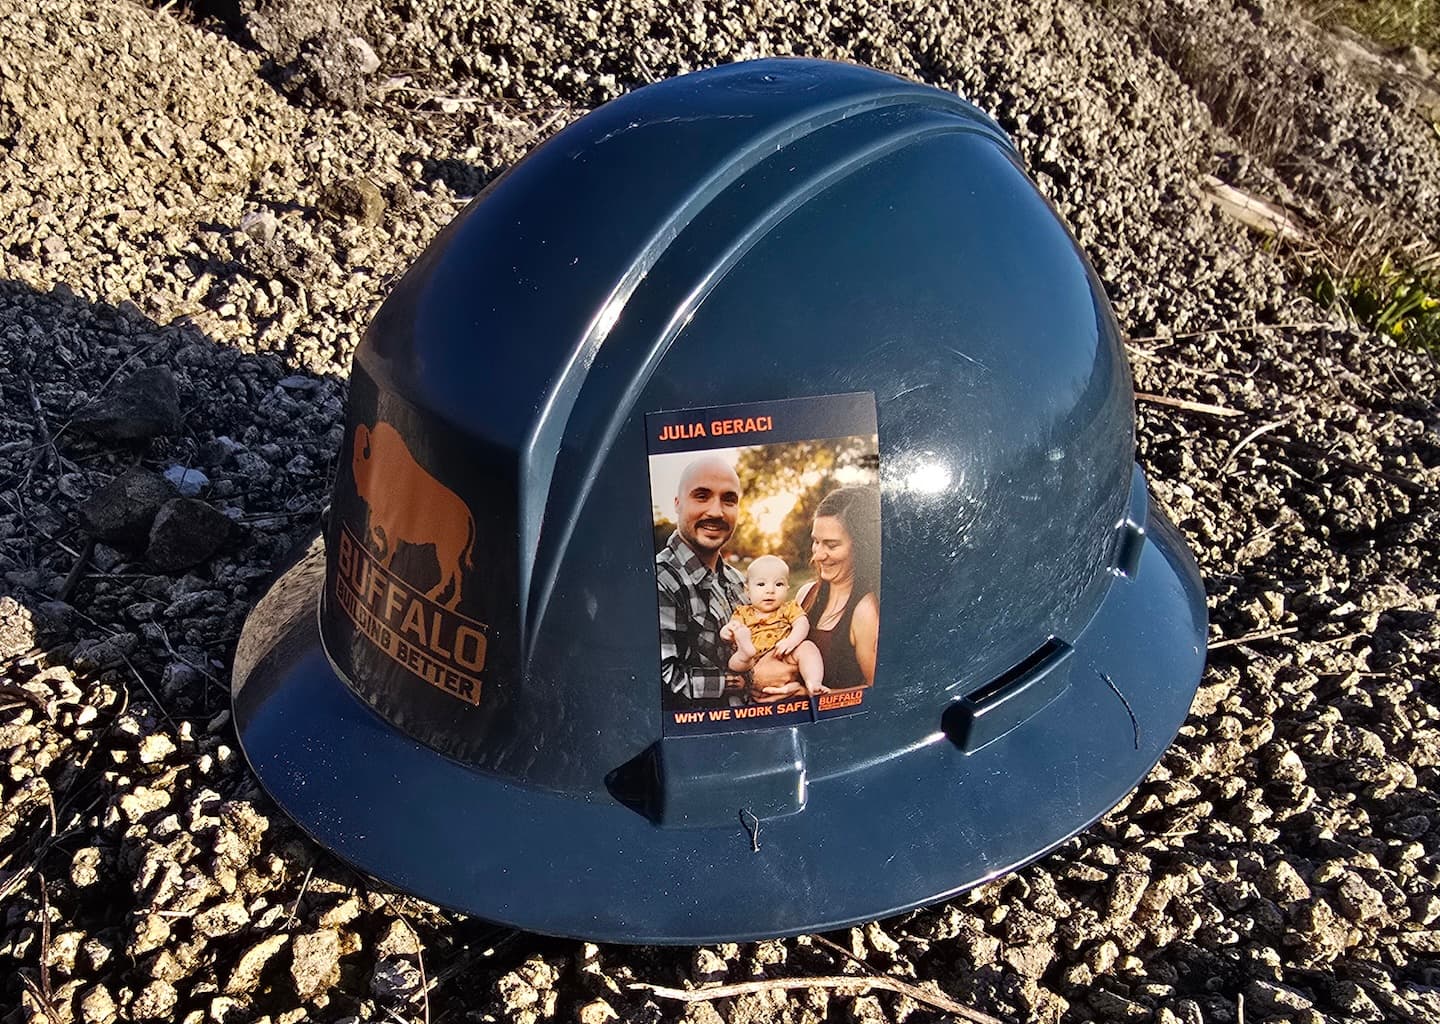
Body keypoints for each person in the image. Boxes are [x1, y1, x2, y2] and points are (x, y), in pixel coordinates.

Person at [751, 485, 880, 700]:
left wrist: (806, 697)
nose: (819, 554)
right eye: (816, 541)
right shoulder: (806, 594)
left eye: (831, 545)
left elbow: (876, 693)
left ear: (861, 547)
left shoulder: (865, 611)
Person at [655, 455, 749, 709]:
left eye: (729, 499)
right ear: (677, 503)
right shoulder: (659, 580)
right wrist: (735, 682)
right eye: (702, 496)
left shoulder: (738, 581)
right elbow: (661, 679)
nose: (716, 511)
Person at [720, 555, 826, 695]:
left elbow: (802, 623)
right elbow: (733, 628)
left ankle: (814, 682)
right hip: (753, 661)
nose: (770, 590)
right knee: (735, 662)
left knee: (807, 647)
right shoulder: (743, 612)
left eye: (779, 584)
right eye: (761, 584)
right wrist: (726, 632)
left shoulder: (788, 608)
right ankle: (745, 652)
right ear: (747, 591)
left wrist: (791, 641)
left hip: (782, 653)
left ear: (787, 588)